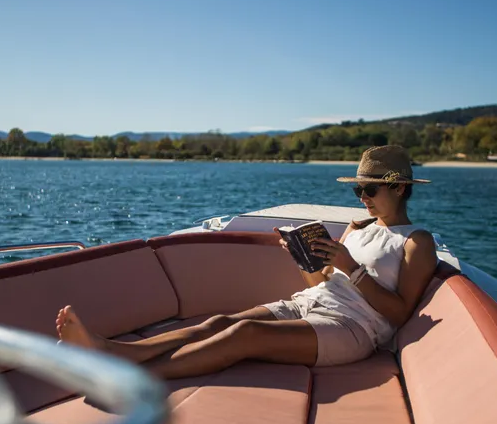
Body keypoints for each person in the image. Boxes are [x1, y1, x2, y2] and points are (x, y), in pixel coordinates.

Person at [55, 145, 437, 379]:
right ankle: (112, 351)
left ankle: (133, 379)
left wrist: (351, 268)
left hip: (352, 330)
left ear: (399, 187)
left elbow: (401, 314)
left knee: (243, 337)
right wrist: (303, 257)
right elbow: (318, 283)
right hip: (311, 304)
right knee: (221, 322)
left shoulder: (416, 242)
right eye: (358, 189)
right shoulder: (358, 227)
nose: (361, 197)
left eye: (369, 189)